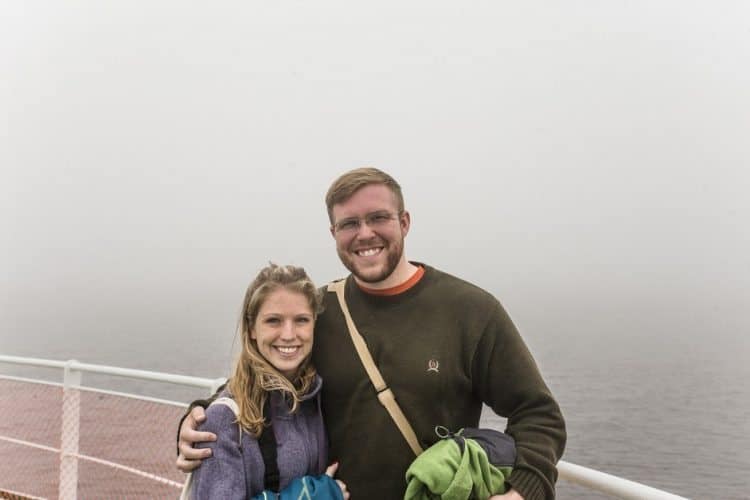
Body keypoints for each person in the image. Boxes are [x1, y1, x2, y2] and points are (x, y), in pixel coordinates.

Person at [178, 168, 566, 500]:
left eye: (378, 218)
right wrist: (200, 416)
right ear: (334, 232)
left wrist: (522, 491)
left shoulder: (471, 311)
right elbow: (265, 372)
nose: (364, 234)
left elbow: (538, 413)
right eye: (349, 223)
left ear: (405, 222)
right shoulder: (317, 311)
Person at [186, 263, 349, 499]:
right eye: (273, 320)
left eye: (301, 320)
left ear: (315, 324)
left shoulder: (315, 398)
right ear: (252, 327)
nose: (288, 334)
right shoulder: (223, 420)